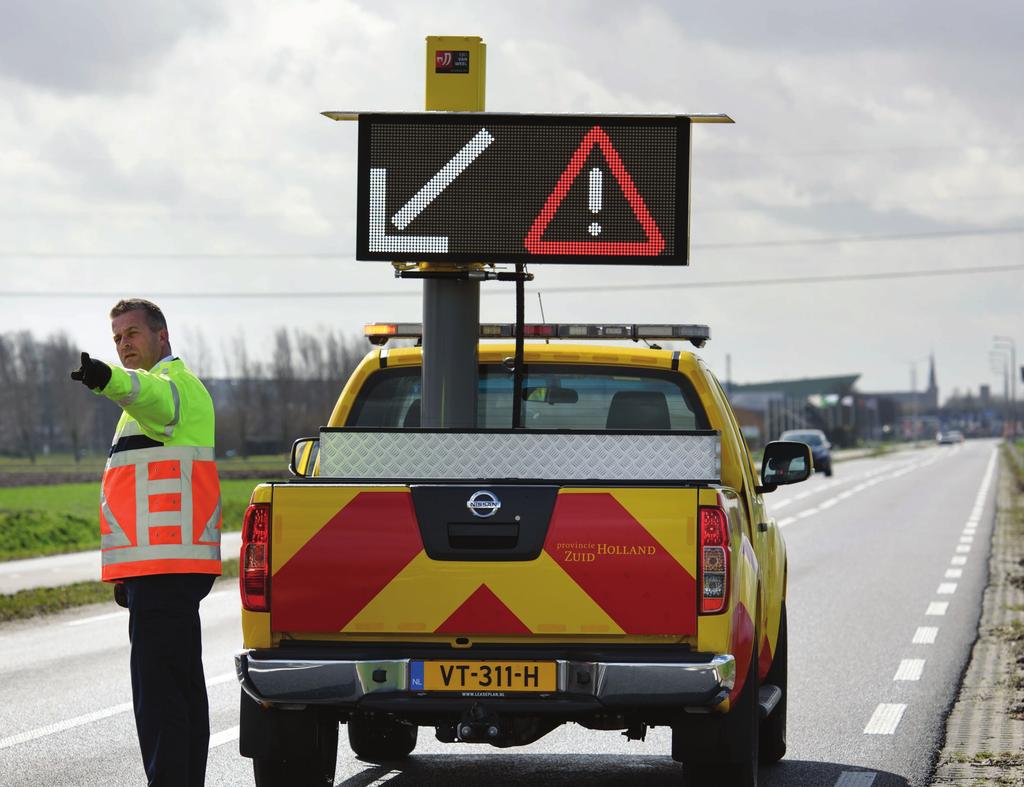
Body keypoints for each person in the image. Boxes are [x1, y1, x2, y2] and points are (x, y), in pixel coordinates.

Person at [71, 298, 221, 787]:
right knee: (173, 688)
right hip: (155, 570)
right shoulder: (145, 407)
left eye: (132, 334)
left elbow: (147, 391)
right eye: (116, 338)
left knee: (160, 697)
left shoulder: (174, 390)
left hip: (167, 570)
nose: (123, 345)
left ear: (162, 336)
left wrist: (105, 378)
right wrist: (123, 572)